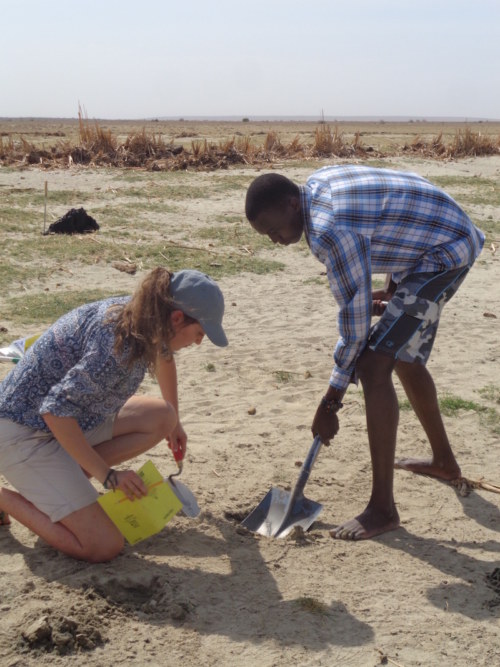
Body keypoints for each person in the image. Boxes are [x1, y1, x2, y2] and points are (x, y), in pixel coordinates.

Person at [245, 164, 485, 541]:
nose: (274, 240)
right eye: (266, 236)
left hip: (445, 251)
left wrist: (330, 401)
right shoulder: (315, 185)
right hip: (431, 238)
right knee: (401, 353)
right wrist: (395, 291)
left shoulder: (329, 231)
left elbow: (355, 329)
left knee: (374, 365)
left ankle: (383, 509)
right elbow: (389, 215)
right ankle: (444, 462)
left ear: (292, 204)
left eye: (274, 230)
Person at [0, 268, 228, 561]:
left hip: (67, 419)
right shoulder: (114, 349)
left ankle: (63, 479)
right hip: (22, 433)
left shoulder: (146, 316)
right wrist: (109, 477)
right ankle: (6, 498)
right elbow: (54, 413)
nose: (198, 342)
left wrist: (176, 423)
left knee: (163, 417)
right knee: (103, 545)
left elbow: (163, 357)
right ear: (177, 319)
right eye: (200, 334)